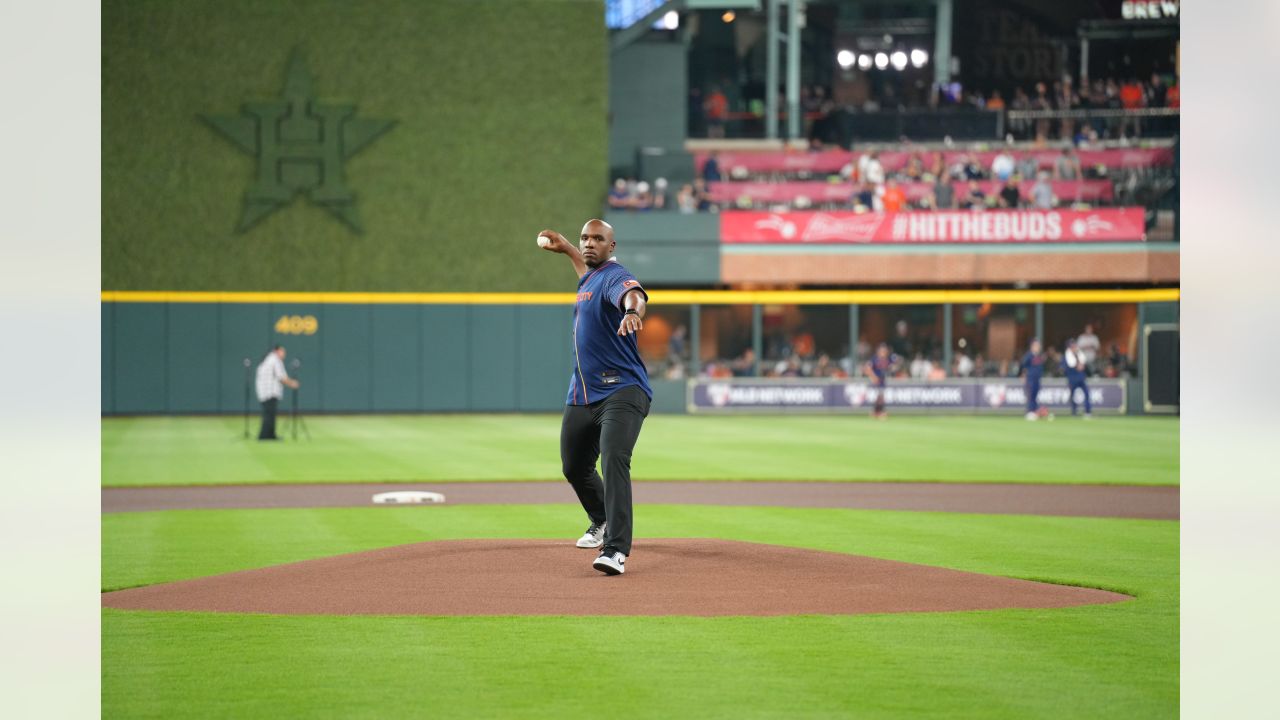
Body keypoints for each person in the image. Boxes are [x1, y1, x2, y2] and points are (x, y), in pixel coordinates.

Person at [537, 220, 652, 576]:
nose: (589, 243)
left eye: (597, 239)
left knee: (614, 460)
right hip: (583, 393)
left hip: (622, 389)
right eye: (585, 237)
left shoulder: (616, 276)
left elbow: (634, 294)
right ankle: (601, 519)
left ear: (611, 246)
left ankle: (616, 550)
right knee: (573, 466)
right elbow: (585, 270)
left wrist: (632, 311)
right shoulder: (590, 277)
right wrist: (569, 248)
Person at [254, 345, 299, 440]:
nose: (284, 354)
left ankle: (270, 435)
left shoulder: (267, 359)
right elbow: (281, 377)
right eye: (283, 352)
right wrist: (292, 383)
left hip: (264, 391)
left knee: (270, 415)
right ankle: (264, 436)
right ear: (277, 351)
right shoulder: (275, 360)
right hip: (270, 392)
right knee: (269, 415)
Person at [863, 343, 899, 419]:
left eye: (885, 351)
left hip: (882, 380)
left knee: (880, 396)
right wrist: (873, 377)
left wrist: (892, 366)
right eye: (882, 350)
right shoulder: (874, 359)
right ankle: (879, 412)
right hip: (876, 381)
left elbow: (895, 363)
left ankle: (876, 412)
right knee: (879, 397)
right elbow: (867, 368)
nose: (883, 352)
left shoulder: (888, 359)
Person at [1062, 338, 1093, 418]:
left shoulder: (1079, 353)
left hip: (1081, 378)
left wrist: (1080, 366)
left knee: (1086, 393)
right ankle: (1074, 412)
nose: (1074, 347)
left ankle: (1087, 411)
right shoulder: (1066, 355)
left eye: (1074, 345)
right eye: (1072, 346)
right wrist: (1076, 366)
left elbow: (1084, 364)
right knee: (1073, 396)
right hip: (1072, 379)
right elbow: (1067, 367)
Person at [1019, 338, 1047, 421]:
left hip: (1037, 379)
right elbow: (1023, 365)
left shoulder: (1039, 356)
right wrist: (1023, 375)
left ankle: (1034, 412)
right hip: (1030, 378)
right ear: (1032, 346)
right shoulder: (1029, 355)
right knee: (1031, 395)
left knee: (1035, 396)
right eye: (1036, 345)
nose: (1038, 347)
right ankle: (1029, 412)